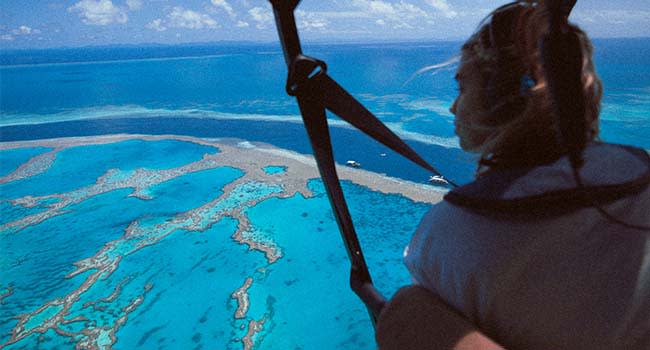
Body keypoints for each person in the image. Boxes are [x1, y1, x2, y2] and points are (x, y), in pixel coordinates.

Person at [377, 1, 650, 349]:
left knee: (407, 311)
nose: (452, 106)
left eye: (462, 88)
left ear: (498, 100)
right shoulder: (641, 181)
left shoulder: (447, 233)